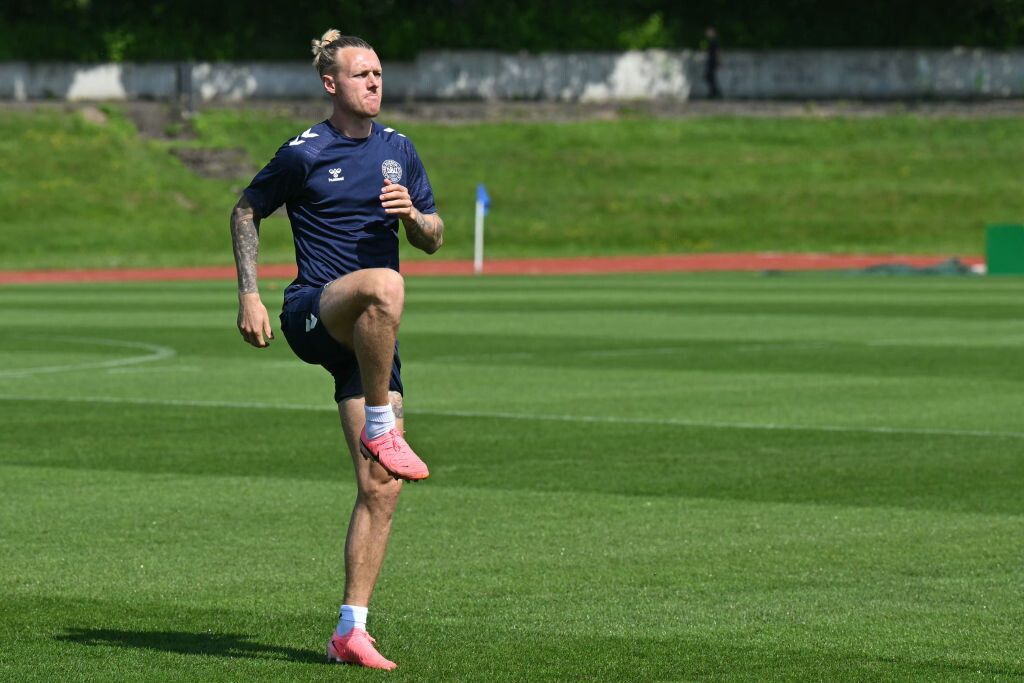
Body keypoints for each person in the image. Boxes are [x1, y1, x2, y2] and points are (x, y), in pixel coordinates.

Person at [229, 28, 444, 671]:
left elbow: (434, 234)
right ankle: (383, 424)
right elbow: (246, 210)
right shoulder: (305, 152)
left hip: (370, 344)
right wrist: (250, 295)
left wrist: (413, 217)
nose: (375, 82)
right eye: (362, 74)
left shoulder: (400, 150)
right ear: (332, 84)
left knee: (381, 487)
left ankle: (351, 629)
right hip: (314, 311)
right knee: (385, 284)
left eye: (379, 73)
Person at [704, 27, 721, 99]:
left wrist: (717, 62)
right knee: (709, 77)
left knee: (710, 77)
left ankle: (714, 93)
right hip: (710, 61)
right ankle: (714, 93)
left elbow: (717, 52)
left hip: (712, 62)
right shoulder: (710, 41)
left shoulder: (715, 41)